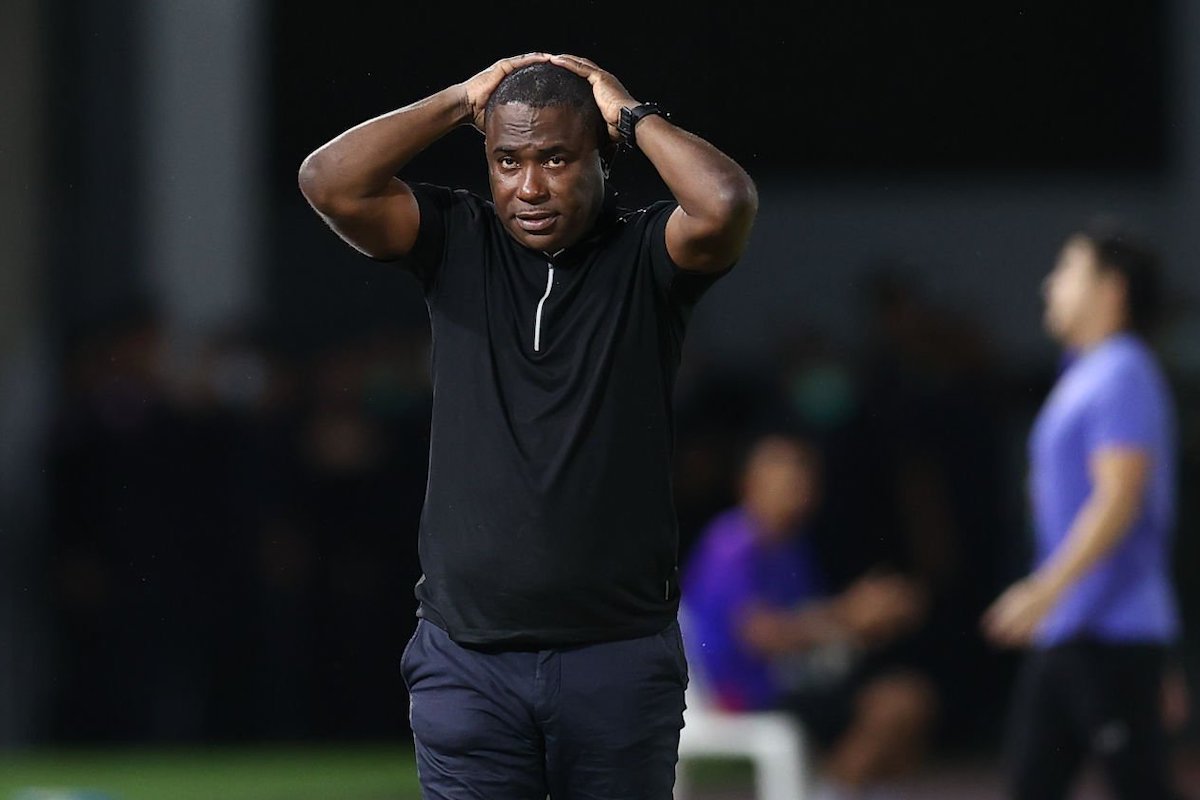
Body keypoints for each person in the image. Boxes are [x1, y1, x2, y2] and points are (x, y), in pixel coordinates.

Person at [298, 53, 758, 798]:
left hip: (616, 659)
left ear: (602, 155)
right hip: (468, 660)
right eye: (507, 160)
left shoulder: (646, 254)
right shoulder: (455, 239)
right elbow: (328, 181)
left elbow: (726, 203)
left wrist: (630, 113)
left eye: (556, 158)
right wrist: (459, 98)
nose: (529, 186)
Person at [982, 221, 1187, 800]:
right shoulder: (1086, 372)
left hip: (1111, 634)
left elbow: (1119, 497)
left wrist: (1044, 589)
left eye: (1066, 271)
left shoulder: (1123, 370)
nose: (1049, 286)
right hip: (1074, 630)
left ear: (1111, 288)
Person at [682, 433, 938, 799]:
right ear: (749, 485)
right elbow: (761, 635)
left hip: (795, 682)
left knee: (910, 704)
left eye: (805, 479)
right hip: (744, 696)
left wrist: (873, 620)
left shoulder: (792, 548)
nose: (799, 489)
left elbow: (811, 627)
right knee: (895, 705)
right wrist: (850, 613)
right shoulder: (732, 544)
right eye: (787, 480)